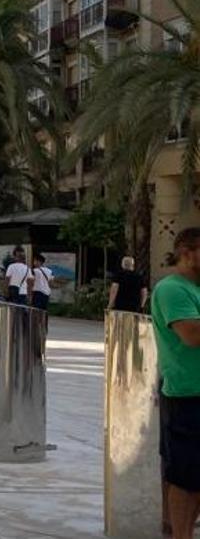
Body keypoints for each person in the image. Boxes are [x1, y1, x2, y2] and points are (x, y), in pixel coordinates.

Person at [151, 227, 200, 539]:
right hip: (187, 396)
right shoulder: (172, 289)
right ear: (187, 251)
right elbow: (192, 334)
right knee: (185, 478)